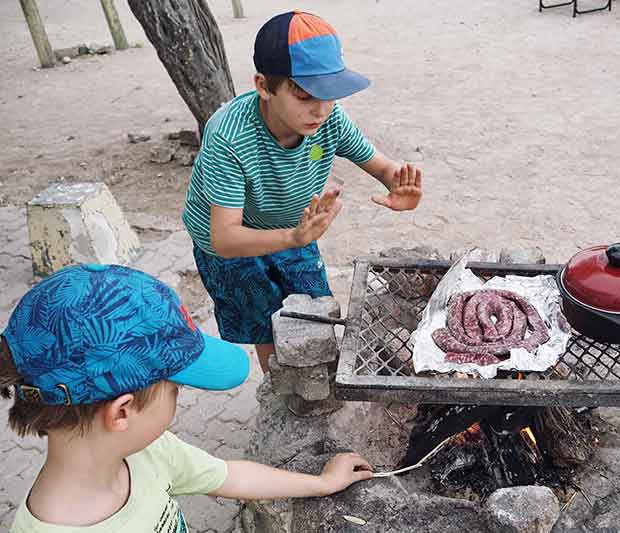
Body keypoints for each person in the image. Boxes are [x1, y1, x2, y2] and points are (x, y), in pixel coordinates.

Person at [0, 264, 373, 532]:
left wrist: (321, 484)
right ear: (122, 411)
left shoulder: (145, 453)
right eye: (176, 390)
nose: (177, 400)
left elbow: (229, 477)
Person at [182, 11, 423, 373]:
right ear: (264, 86)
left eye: (330, 94)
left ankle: (319, 381)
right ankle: (279, 390)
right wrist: (292, 237)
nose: (321, 110)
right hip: (232, 243)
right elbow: (225, 238)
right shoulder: (228, 138)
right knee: (265, 323)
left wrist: (398, 186)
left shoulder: (328, 119)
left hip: (295, 228)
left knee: (314, 308)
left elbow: (383, 167)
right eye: (306, 95)